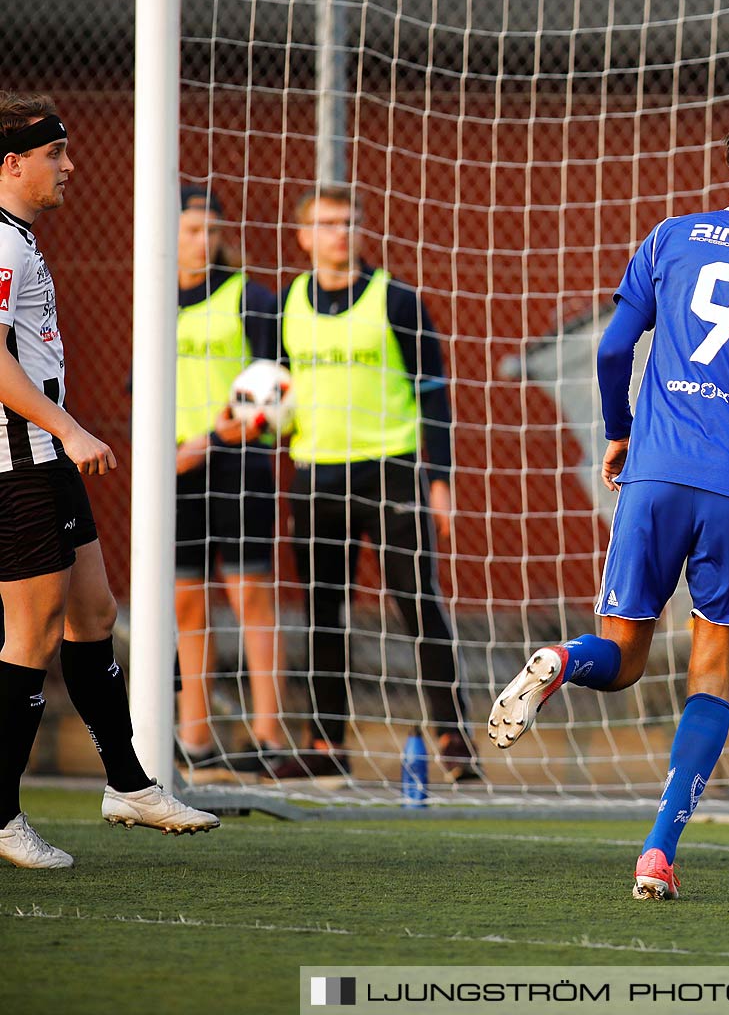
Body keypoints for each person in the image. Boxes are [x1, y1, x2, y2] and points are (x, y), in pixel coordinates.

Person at [487, 112, 729, 899]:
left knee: (620, 657)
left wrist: (619, 433)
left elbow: (610, 348)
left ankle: (559, 661)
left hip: (654, 474)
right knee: (711, 674)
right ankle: (658, 851)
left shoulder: (669, 238)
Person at [0, 92, 218, 869]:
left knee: (94, 613)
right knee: (29, 636)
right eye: (56, 154)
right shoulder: (2, 241)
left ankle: (127, 784)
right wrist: (67, 427)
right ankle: (2, 816)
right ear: (13, 162)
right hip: (19, 461)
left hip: (43, 455)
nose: (70, 166)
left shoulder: (22, 238)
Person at [275, 185, 476, 783]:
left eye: (349, 222)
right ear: (304, 236)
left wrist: (438, 478)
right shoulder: (285, 303)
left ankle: (453, 738)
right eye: (327, 223)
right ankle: (325, 743)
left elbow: (433, 394)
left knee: (418, 605)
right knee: (323, 614)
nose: (340, 232)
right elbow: (275, 390)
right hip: (315, 476)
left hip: (391, 472)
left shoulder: (396, 300)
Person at [172, 186, 286, 777]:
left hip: (238, 467)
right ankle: (194, 738)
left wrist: (213, 439)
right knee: (187, 602)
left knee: (249, 599)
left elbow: (274, 391)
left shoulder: (252, 299)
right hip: (175, 470)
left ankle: (267, 736)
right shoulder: (155, 299)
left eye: (211, 230)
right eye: (191, 229)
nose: (202, 240)